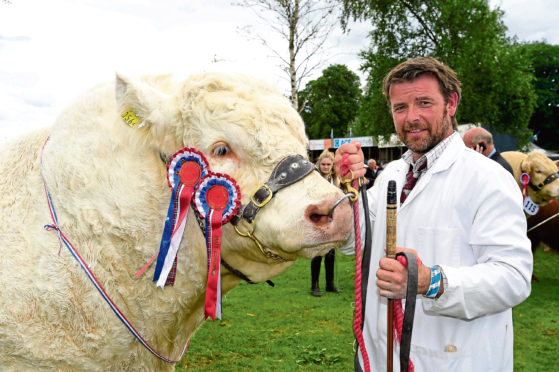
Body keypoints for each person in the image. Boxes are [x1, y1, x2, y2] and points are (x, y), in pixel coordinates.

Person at [334, 57, 532, 371]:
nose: (411, 118)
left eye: (424, 103)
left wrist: (429, 281)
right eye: (400, 107)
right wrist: (344, 187)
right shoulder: (391, 174)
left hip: (453, 359)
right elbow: (352, 241)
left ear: (451, 104)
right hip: (378, 354)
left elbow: (514, 277)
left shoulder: (487, 178)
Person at [310, 149, 341, 297]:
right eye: (323, 164)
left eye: (329, 164)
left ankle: (330, 284)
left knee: (331, 254)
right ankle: (314, 286)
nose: (326, 167)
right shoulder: (314, 179)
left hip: (331, 219)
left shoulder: (335, 180)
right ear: (319, 164)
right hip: (317, 219)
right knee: (317, 254)